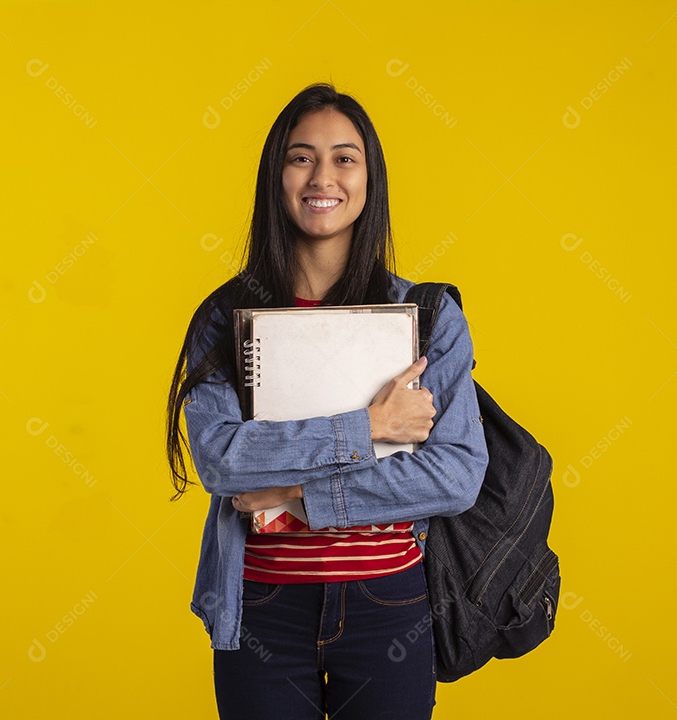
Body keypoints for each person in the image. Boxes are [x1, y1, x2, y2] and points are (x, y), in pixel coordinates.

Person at [165, 82, 488, 719]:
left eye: (345, 157)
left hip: (388, 606)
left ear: (371, 179)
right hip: (261, 608)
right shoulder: (226, 318)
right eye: (301, 156)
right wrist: (368, 428)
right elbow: (224, 463)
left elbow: (454, 475)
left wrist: (296, 497)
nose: (323, 176)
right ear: (275, 175)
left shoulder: (428, 316)